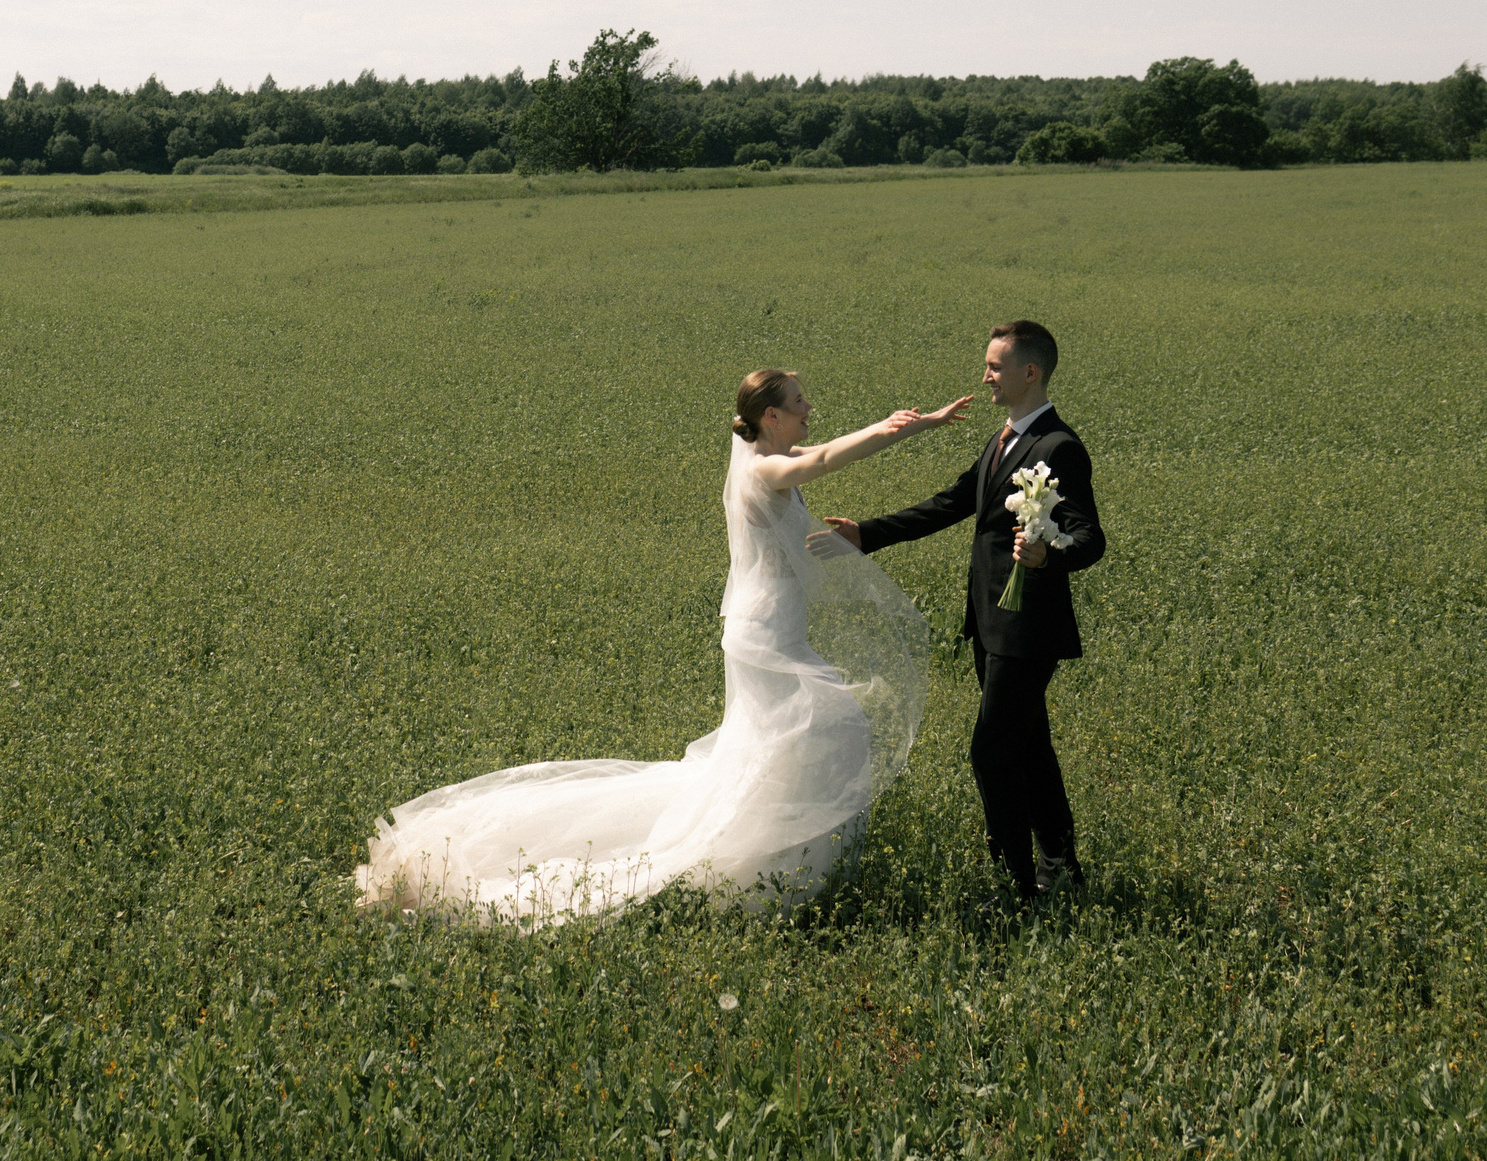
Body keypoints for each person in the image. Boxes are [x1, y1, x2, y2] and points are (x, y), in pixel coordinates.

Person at [354, 371, 969, 924]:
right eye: (797, 401)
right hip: (766, 635)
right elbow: (826, 459)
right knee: (820, 725)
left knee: (784, 740)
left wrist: (905, 427)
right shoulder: (761, 467)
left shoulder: (773, 452)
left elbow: (821, 451)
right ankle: (748, 859)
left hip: (770, 626)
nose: (809, 407)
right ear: (771, 417)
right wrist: (897, 430)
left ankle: (772, 856)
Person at [815, 321, 1106, 902]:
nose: (985, 375)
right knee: (1027, 745)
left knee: (991, 752)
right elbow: (953, 502)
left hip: (1028, 630)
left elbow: (1089, 537)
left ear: (1031, 372)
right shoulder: (1006, 439)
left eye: (995, 366)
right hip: (992, 622)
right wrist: (865, 534)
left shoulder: (1058, 447)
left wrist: (1049, 554)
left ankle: (1016, 885)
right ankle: (1061, 866)